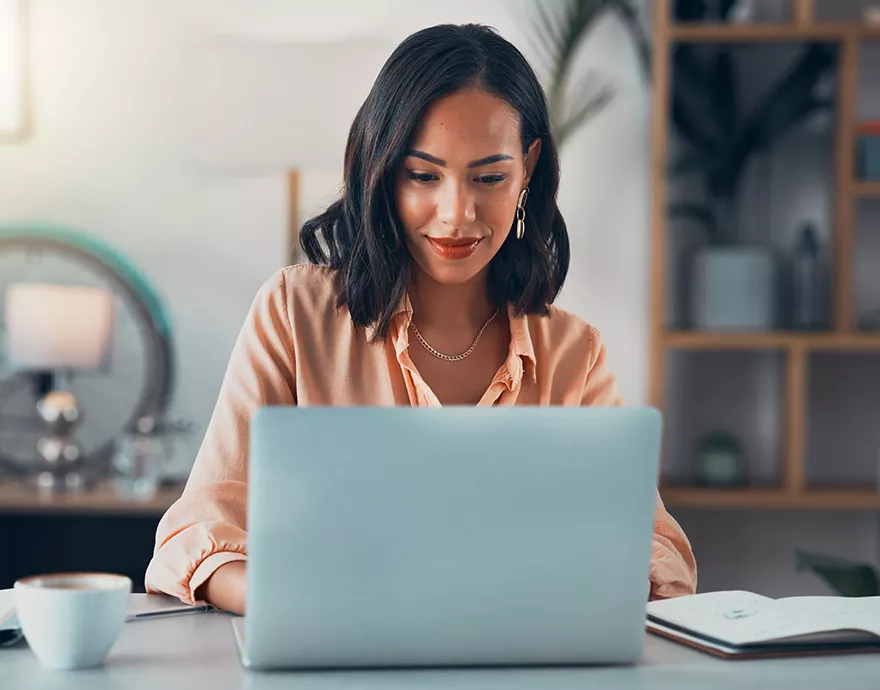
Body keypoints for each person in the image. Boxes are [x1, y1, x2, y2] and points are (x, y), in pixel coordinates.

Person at [145, 23, 696, 615]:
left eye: (489, 178)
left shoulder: (572, 355)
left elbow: (654, 548)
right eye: (422, 176)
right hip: (332, 652)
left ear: (528, 170)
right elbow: (196, 533)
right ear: (382, 172)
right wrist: (298, 603)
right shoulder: (293, 314)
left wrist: (579, 587)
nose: (457, 214)